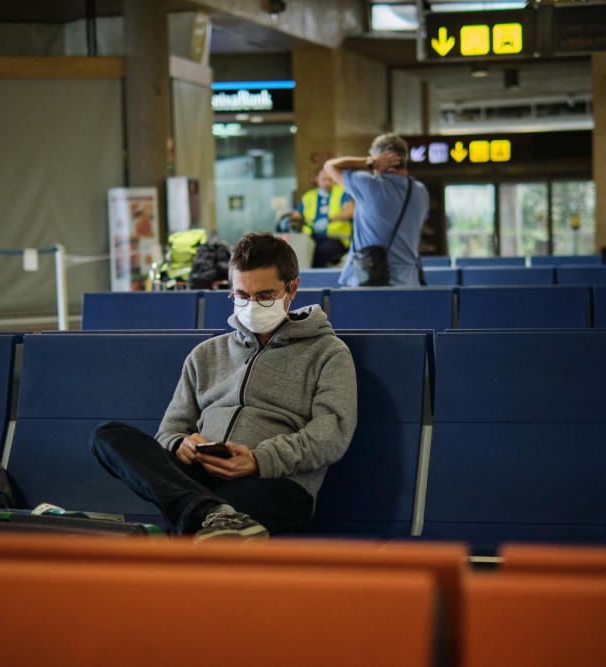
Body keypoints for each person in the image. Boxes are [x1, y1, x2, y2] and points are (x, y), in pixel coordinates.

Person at [91, 233, 358, 540]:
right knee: (108, 436)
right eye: (242, 296)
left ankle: (204, 515)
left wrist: (259, 460)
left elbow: (332, 434)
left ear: (292, 288)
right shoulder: (206, 355)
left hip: (275, 483)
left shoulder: (328, 353)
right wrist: (181, 444)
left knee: (201, 522)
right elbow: (168, 431)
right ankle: (211, 514)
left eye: (265, 296)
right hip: (199, 478)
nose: (253, 305)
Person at [324, 134, 430, 287]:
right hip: (410, 285)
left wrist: (370, 162)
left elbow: (330, 166)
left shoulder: (367, 185)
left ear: (380, 159)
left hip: (369, 284)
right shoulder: (420, 191)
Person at [290, 166, 355, 268]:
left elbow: (350, 211)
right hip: (311, 238)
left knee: (321, 250)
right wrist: (292, 222)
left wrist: (329, 220)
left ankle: (314, 279)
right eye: (323, 179)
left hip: (336, 240)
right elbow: (296, 215)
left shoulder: (342, 193)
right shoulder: (308, 196)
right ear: (316, 179)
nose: (327, 182)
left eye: (330, 179)